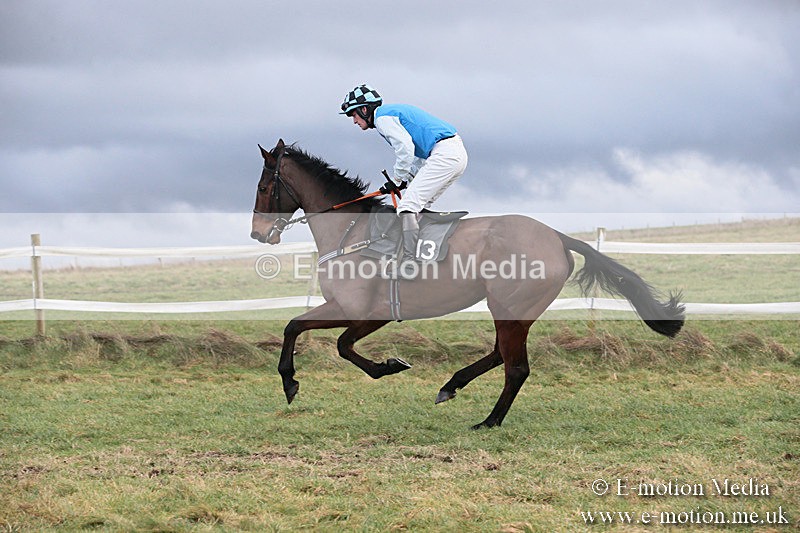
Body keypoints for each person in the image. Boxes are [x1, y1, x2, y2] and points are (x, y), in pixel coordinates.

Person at [340, 84, 468, 280]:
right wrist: (403, 181)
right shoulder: (390, 116)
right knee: (417, 206)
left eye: (353, 115)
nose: (354, 121)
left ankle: (410, 265)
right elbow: (416, 158)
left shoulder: (383, 118)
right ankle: (423, 255)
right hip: (451, 154)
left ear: (364, 109)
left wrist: (398, 178)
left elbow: (405, 149)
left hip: (445, 154)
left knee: (407, 207)